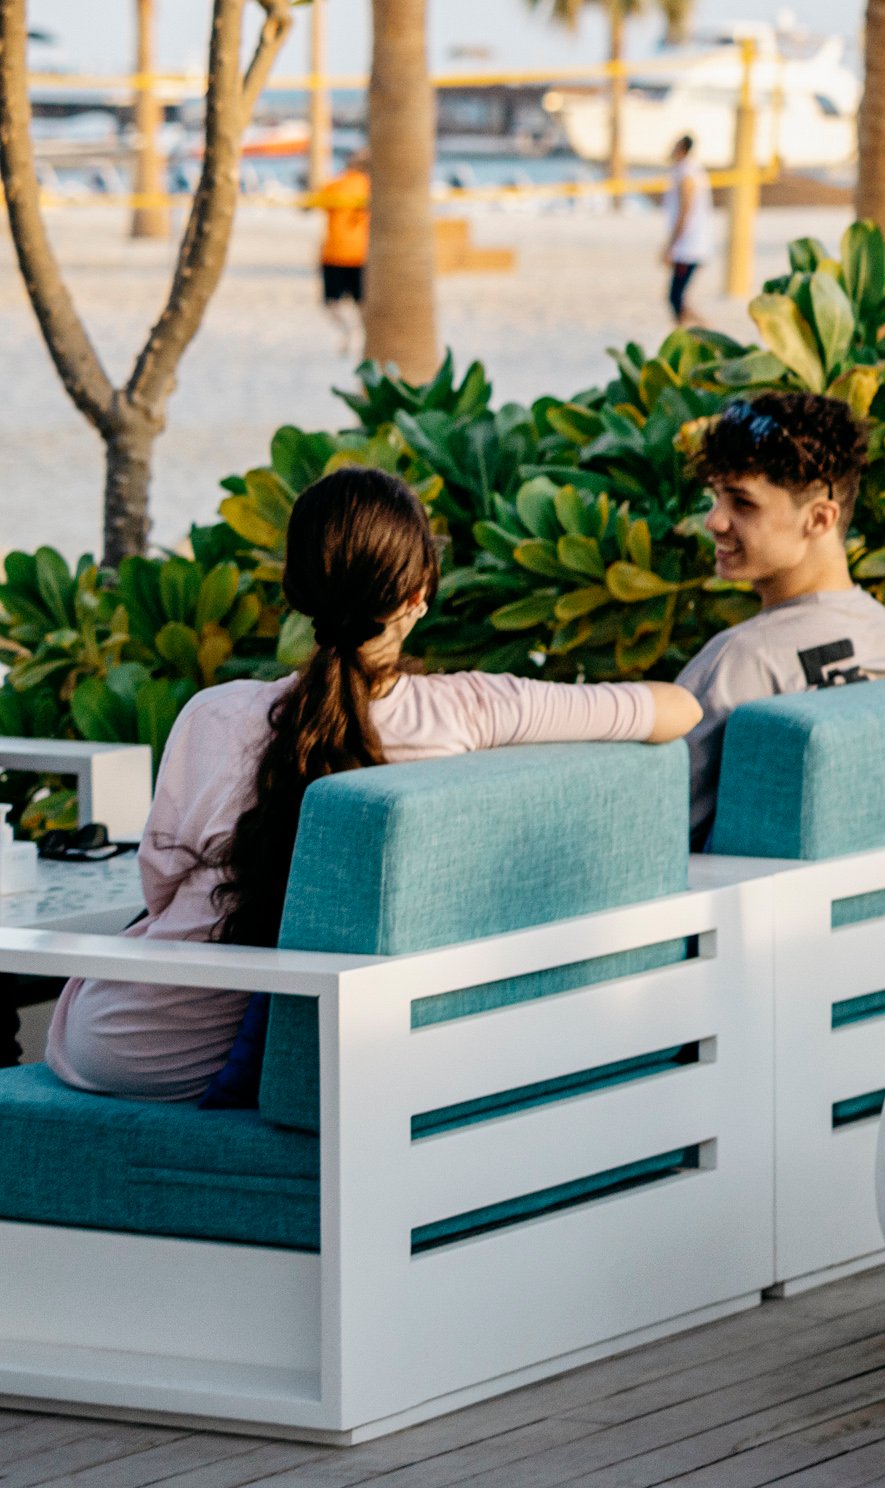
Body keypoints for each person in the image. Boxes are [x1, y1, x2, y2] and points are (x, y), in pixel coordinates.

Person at [39, 467, 702, 1104]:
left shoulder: (215, 716)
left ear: (295, 590)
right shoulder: (471, 712)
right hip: (340, 1052)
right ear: (418, 596)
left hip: (127, 1045)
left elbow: (158, 889)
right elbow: (679, 709)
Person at [672, 392, 885, 850]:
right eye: (715, 498)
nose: (714, 521)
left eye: (742, 504)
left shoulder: (740, 663)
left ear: (820, 518)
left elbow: (656, 825)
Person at [662, 133, 722, 328]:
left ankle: (698, 328)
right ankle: (691, 329)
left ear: (681, 149)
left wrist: (671, 244)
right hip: (692, 242)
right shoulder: (691, 170)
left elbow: (685, 210)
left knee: (674, 297)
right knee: (676, 296)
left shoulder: (686, 172)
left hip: (689, 245)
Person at [309, 156, 371, 341]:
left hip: (334, 253)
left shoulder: (336, 184)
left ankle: (347, 329)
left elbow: (315, 204)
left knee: (331, 302)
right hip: (360, 254)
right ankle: (363, 332)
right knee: (361, 301)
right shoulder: (371, 186)